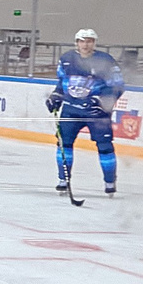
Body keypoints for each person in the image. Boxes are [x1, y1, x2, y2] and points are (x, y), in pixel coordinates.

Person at [49, 27, 126, 197]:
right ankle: (63, 179)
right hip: (70, 110)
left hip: (97, 113)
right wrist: (55, 96)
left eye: (89, 41)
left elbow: (118, 85)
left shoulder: (105, 61)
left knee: (105, 146)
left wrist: (103, 100)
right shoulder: (66, 59)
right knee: (63, 144)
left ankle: (109, 182)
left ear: (94, 43)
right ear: (76, 42)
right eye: (82, 41)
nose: (86, 44)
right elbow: (62, 83)